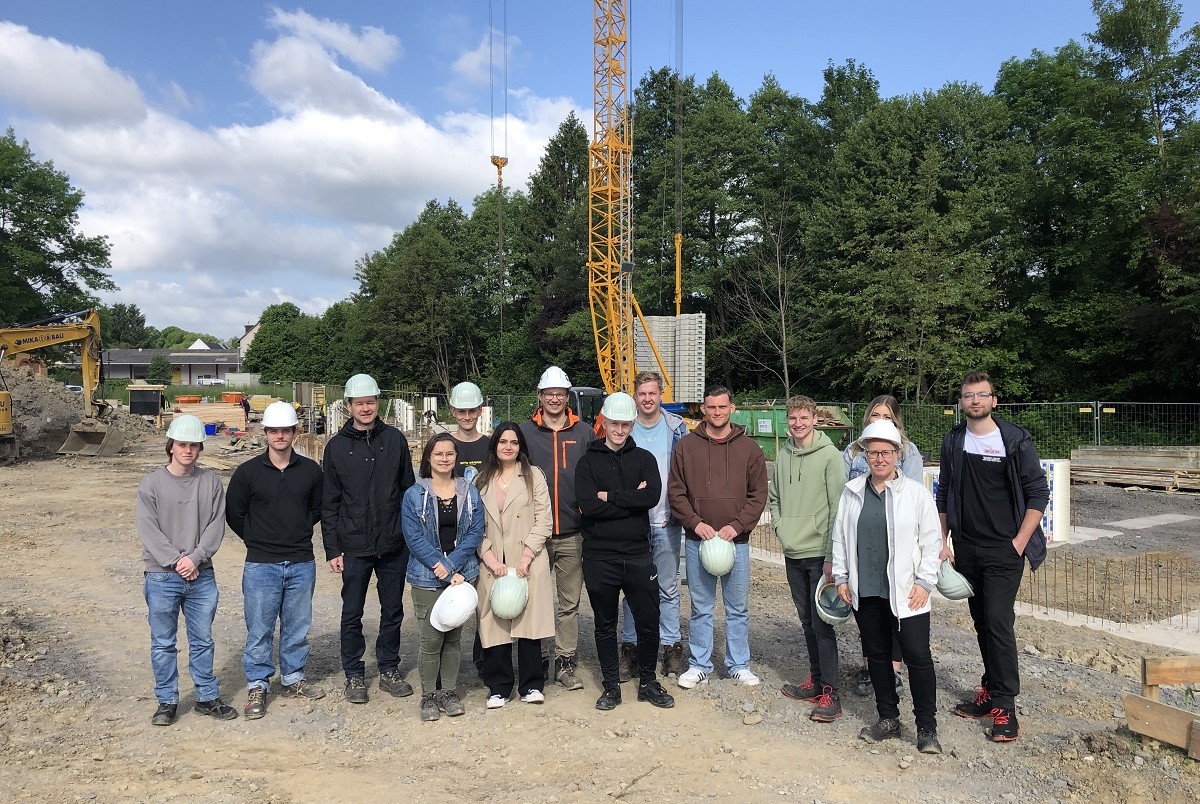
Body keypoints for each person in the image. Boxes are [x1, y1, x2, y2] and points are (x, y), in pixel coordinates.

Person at [938, 371, 1049, 742]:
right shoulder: (954, 441)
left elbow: (1037, 492)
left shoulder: (1014, 440)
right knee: (982, 623)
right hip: (966, 548)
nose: (975, 401)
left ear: (994, 400)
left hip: (1004, 550)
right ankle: (989, 689)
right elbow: (945, 493)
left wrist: (1019, 542)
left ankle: (1005, 708)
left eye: (981, 395)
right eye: (968, 395)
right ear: (961, 401)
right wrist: (944, 540)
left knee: (999, 623)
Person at [832, 419, 943, 754]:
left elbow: (931, 540)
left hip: (908, 592)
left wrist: (926, 581)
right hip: (866, 589)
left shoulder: (916, 494)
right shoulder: (852, 493)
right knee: (877, 656)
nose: (879, 458)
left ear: (897, 454)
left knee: (918, 657)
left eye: (886, 452)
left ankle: (927, 727)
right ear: (864, 456)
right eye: (872, 453)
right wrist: (840, 576)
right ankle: (888, 718)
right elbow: (840, 537)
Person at [226, 401, 326, 720]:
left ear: (295, 432)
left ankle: (293, 679)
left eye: (285, 430)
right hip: (261, 564)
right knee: (260, 629)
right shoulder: (248, 473)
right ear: (265, 433)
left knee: (297, 627)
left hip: (300, 562)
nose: (280, 435)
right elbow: (234, 514)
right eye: (274, 430)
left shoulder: (311, 471)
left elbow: (317, 509)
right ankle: (258, 684)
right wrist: (258, 538)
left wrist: (293, 531)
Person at [576, 392, 676, 711]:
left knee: (649, 621)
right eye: (614, 424)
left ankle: (647, 681)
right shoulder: (588, 461)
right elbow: (588, 507)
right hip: (599, 556)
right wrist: (630, 498)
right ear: (603, 421)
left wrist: (609, 496)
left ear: (633, 424)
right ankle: (611, 687)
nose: (619, 430)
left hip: (637, 554)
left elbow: (652, 498)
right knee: (605, 624)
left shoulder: (644, 459)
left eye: (625, 424)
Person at [322, 373, 416, 704]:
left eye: (370, 402)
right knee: (353, 611)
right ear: (348, 406)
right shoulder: (335, 448)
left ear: (378, 403)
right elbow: (329, 502)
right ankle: (354, 674)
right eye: (359, 403)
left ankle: (388, 668)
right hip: (353, 546)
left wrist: (411, 539)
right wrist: (332, 547)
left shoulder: (395, 441)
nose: (365, 408)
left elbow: (409, 491)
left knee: (393, 610)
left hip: (393, 543)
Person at [136, 414, 236, 725]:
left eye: (194, 445)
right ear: (171, 446)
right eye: (182, 444)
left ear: (200, 449)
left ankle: (206, 696)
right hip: (161, 576)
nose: (188, 450)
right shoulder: (151, 484)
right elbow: (148, 529)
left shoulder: (210, 484)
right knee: (163, 642)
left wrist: (195, 558)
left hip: (201, 575)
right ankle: (166, 701)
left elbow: (215, 525)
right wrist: (177, 561)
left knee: (202, 639)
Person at [668, 385, 768, 688]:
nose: (717, 412)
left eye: (722, 407)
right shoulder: (686, 447)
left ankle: (738, 664)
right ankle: (700, 664)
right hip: (700, 540)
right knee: (701, 606)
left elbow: (758, 495)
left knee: (737, 608)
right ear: (703, 409)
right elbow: (676, 492)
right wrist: (695, 523)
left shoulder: (750, 449)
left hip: (735, 543)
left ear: (732, 408)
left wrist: (736, 526)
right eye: (711, 407)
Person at [772, 395, 847, 722]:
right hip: (793, 550)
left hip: (820, 555)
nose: (798, 424)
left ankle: (832, 692)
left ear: (815, 419)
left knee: (822, 623)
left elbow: (838, 509)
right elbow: (774, 497)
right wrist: (780, 527)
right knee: (805, 621)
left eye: (804, 418)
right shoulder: (783, 454)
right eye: (793, 419)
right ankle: (816, 681)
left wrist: (832, 556)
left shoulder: (830, 456)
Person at [520, 366, 595, 691]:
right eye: (549, 393)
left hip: (572, 532)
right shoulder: (525, 433)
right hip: (535, 534)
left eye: (559, 394)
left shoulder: (584, 433)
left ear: (567, 397)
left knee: (569, 603)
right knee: (534, 600)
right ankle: (537, 660)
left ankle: (565, 661)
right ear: (540, 396)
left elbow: (595, 474)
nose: (554, 398)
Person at [401, 433, 485, 721]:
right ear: (428, 458)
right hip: (427, 576)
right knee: (430, 638)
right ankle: (428, 695)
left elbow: (475, 531)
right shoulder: (414, 495)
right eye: (438, 454)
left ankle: (449, 692)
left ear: (456, 458)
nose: (444, 459)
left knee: (453, 638)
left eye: (450, 454)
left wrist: (452, 565)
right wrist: (440, 564)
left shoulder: (469, 492)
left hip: (461, 574)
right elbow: (413, 537)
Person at [843, 395, 923, 698]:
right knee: (870, 610)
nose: (880, 419)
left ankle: (894, 668)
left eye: (886, 416)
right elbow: (845, 496)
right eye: (875, 414)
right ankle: (870, 665)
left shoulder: (909, 452)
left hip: (896, 542)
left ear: (896, 420)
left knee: (896, 609)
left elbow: (911, 496)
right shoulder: (852, 453)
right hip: (865, 543)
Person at [616, 371, 690, 681]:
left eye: (653, 393)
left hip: (665, 520)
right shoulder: (624, 429)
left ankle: (671, 648)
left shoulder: (676, 430)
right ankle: (630, 650)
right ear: (635, 397)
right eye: (642, 393)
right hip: (633, 523)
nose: (648, 398)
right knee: (632, 589)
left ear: (661, 395)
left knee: (668, 588)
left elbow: (686, 473)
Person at [474, 423, 554, 708]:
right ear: (495, 445)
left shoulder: (534, 476)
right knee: (494, 623)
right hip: (493, 560)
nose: (508, 447)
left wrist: (527, 555)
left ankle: (532, 685)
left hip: (527, 558)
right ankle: (499, 686)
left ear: (521, 446)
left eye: (514, 442)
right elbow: (472, 526)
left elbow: (545, 519)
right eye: (503, 441)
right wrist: (490, 558)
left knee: (528, 624)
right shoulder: (481, 480)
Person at [449, 381, 490, 481]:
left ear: (480, 410)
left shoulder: (490, 445)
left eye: (472, 411)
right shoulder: (444, 445)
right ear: (453, 412)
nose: (467, 417)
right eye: (462, 411)